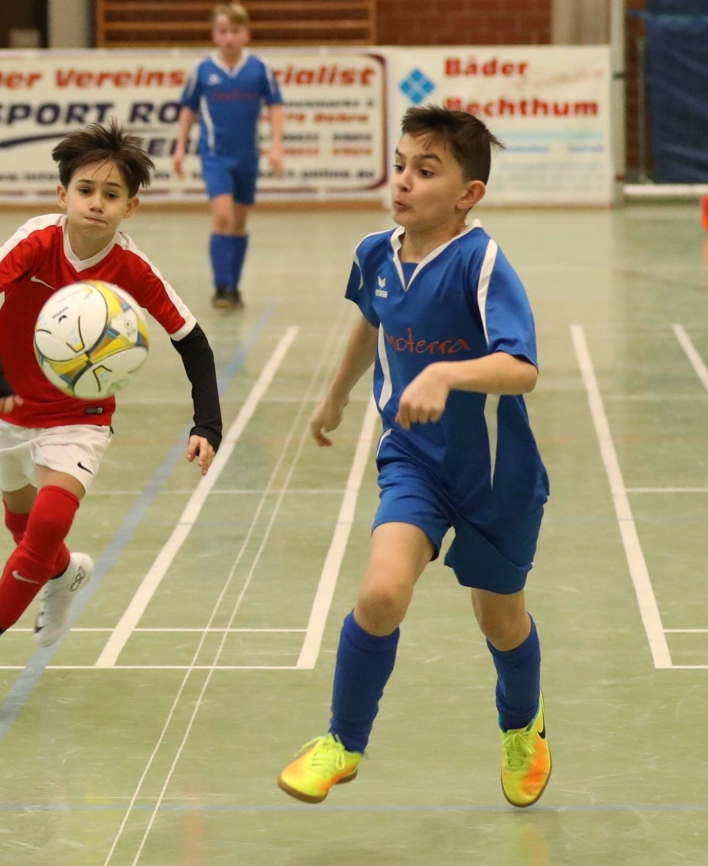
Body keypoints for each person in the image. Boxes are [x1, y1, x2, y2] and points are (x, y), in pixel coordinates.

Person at [277, 106, 551, 809]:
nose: (403, 181)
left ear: (468, 194)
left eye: (425, 171)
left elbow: (522, 370)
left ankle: (522, 726)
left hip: (495, 476)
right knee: (380, 595)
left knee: (501, 623)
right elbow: (372, 322)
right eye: (400, 165)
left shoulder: (481, 262)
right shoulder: (375, 253)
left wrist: (446, 374)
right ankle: (342, 742)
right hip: (413, 461)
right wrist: (335, 397)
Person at [0, 121, 223, 692]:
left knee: (48, 520)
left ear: (130, 207)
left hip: (81, 416)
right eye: (86, 190)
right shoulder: (38, 241)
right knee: (22, 525)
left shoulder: (132, 268)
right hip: (15, 408)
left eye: (112, 195)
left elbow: (192, 340)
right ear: (62, 194)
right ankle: (65, 572)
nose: (97, 203)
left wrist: (208, 423)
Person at [172, 2, 283, 310]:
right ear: (214, 35)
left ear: (246, 34)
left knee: (239, 221)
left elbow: (275, 106)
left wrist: (276, 146)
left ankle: (234, 286)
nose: (229, 37)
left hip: (247, 156)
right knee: (222, 215)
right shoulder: (202, 70)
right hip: (215, 156)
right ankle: (221, 287)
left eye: (235, 31)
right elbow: (188, 109)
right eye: (223, 31)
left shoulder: (259, 69)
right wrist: (180, 147)